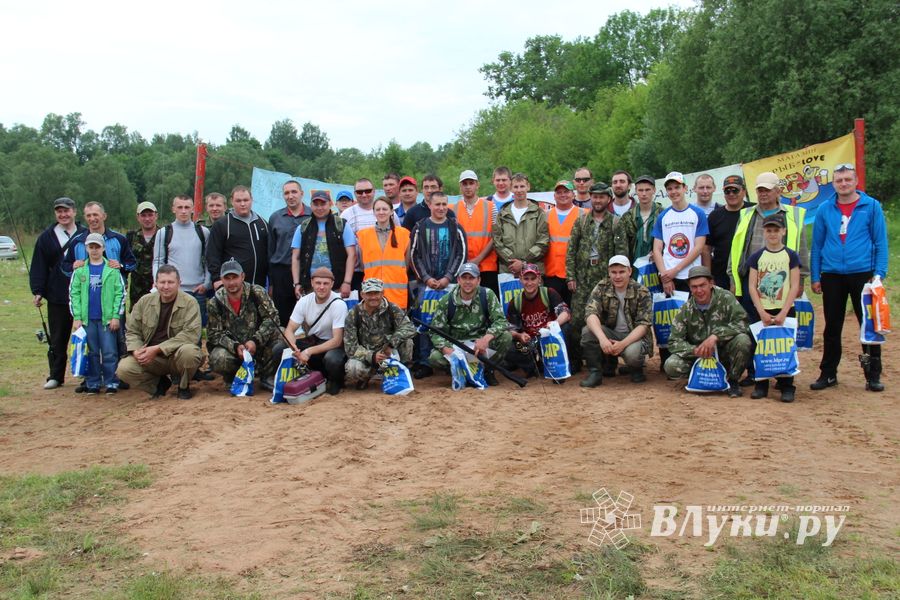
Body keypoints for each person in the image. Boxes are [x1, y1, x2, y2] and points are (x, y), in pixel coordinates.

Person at [810, 163, 888, 392]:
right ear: (833, 183)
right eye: (839, 180)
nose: (843, 184)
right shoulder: (825, 208)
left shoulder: (871, 206)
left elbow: (881, 243)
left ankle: (872, 374)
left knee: (868, 325)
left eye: (847, 180)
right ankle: (828, 373)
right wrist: (816, 275)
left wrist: (879, 275)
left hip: (863, 273)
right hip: (832, 273)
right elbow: (817, 245)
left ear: (855, 182)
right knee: (832, 326)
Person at [728, 171, 807, 385]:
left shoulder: (793, 215)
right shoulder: (746, 214)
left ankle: (783, 376)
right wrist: (732, 276)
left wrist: (803, 278)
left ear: (777, 191)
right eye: (760, 190)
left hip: (783, 279)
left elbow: (802, 248)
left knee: (781, 327)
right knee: (753, 326)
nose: (763, 193)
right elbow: (735, 247)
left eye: (767, 189)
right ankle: (755, 373)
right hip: (751, 278)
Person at [116, 265, 203, 399]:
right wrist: (136, 350)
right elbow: (132, 331)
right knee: (124, 369)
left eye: (170, 282)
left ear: (179, 283)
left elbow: (191, 335)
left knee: (190, 353)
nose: (166, 286)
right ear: (155, 283)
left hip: (176, 355)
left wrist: (157, 349)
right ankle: (158, 385)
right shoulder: (144, 302)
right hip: (151, 358)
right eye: (162, 282)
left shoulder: (190, 303)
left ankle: (183, 386)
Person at [664, 266, 752, 397]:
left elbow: (743, 323)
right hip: (699, 358)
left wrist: (716, 336)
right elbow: (673, 342)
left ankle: (733, 380)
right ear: (689, 287)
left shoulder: (726, 298)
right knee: (670, 365)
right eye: (694, 287)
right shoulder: (686, 309)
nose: (699, 290)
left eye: (702, 285)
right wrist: (695, 350)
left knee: (743, 340)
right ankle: (699, 377)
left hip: (724, 354)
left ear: (711, 283)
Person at [410, 191, 469, 378]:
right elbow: (414, 255)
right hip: (425, 285)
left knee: (452, 320)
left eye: (445, 204)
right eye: (437, 204)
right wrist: (426, 277)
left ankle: (452, 359)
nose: (441, 208)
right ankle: (424, 362)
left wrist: (448, 277)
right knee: (424, 322)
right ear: (430, 205)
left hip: (449, 284)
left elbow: (462, 254)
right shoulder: (420, 227)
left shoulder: (455, 227)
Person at [30, 197, 86, 390]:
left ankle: (88, 375)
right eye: (59, 211)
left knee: (86, 335)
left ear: (74, 212)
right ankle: (55, 375)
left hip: (84, 294)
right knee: (58, 337)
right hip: (57, 293)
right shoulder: (46, 237)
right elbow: (39, 265)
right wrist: (37, 291)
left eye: (66, 211)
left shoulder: (85, 234)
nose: (63, 214)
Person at [427, 263, 513, 386]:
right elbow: (435, 331)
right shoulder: (446, 300)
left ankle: (488, 370)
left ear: (478, 280)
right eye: (464, 278)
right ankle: (460, 371)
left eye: (471, 278)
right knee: (435, 358)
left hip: (481, 347)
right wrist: (446, 349)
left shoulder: (487, 295)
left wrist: (486, 339)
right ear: (458, 280)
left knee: (506, 337)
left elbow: (501, 321)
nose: (468, 282)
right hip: (457, 346)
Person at [746, 214, 802, 402]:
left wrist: (785, 311)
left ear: (783, 232)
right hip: (762, 310)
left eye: (776, 230)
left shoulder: (791, 256)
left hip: (784, 308)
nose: (772, 234)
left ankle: (787, 385)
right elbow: (752, 286)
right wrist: (761, 311)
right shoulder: (757, 257)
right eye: (769, 230)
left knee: (784, 346)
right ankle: (761, 384)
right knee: (761, 347)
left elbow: (794, 285)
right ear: (764, 232)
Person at [207, 260, 285, 391]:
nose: (231, 283)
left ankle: (267, 375)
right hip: (234, 351)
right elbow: (214, 334)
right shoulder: (215, 302)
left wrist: (255, 340)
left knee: (282, 335)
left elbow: (273, 319)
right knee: (218, 358)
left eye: (235, 277)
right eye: (227, 278)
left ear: (242, 276)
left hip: (259, 345)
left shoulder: (257, 292)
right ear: (221, 279)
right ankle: (233, 376)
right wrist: (235, 346)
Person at [566, 182, 617, 372]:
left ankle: (608, 362)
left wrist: (616, 281)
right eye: (594, 196)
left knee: (605, 321)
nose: (597, 200)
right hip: (582, 280)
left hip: (605, 282)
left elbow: (621, 255)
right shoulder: (581, 221)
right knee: (577, 322)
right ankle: (577, 361)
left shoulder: (615, 223)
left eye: (601, 197)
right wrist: (570, 276)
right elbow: (571, 251)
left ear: (608, 199)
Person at [580, 255, 653, 387]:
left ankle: (636, 369)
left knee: (632, 354)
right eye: (613, 272)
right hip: (611, 334)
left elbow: (644, 325)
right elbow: (590, 313)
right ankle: (595, 372)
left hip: (633, 337)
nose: (617, 276)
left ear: (629, 271)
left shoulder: (642, 291)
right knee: (587, 332)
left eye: (621, 272)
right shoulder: (602, 287)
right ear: (609, 272)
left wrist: (622, 344)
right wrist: (602, 339)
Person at [69, 233, 125, 394]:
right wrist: (77, 317)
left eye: (97, 247)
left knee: (109, 352)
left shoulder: (112, 270)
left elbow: (120, 293)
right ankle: (93, 382)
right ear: (86, 248)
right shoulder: (80, 271)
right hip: (87, 320)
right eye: (91, 247)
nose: (94, 250)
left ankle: (111, 382)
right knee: (92, 352)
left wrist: (116, 316)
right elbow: (74, 294)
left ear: (103, 248)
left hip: (107, 319)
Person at [284, 268, 348, 395]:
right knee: (280, 348)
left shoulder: (339, 304)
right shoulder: (304, 301)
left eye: (326, 283)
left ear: (332, 284)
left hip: (332, 346)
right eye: (318, 283)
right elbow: (289, 330)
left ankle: (336, 381)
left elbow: (337, 341)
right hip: (313, 340)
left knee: (333, 360)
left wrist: (308, 352)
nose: (322, 287)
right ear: (312, 283)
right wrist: (294, 348)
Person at [343, 278, 416, 390]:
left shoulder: (392, 308)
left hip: (389, 353)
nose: (373, 297)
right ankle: (365, 378)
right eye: (369, 293)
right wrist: (372, 356)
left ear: (382, 293)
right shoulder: (353, 314)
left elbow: (409, 328)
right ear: (362, 294)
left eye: (376, 293)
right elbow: (350, 347)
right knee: (352, 368)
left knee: (407, 342)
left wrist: (391, 344)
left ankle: (401, 373)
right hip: (367, 355)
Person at [152, 195, 211, 325]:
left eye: (187, 207)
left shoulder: (203, 232)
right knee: (171, 330)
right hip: (172, 291)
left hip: (197, 291)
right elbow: (158, 261)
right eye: (180, 207)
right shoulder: (164, 233)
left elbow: (208, 260)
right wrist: (158, 282)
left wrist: (206, 284)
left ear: (193, 209)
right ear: (173, 209)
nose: (183, 211)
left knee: (195, 332)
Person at [504, 264, 571, 379]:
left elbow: (566, 312)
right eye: (526, 279)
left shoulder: (549, 293)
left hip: (548, 338)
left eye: (533, 279)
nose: (529, 283)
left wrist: (555, 324)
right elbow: (510, 329)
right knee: (507, 343)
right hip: (531, 343)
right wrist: (519, 335)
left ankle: (558, 366)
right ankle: (532, 367)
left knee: (566, 328)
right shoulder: (515, 302)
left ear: (539, 279)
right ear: (520, 279)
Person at [291, 189, 356, 298]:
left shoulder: (341, 225)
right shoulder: (303, 227)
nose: (320, 208)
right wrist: (297, 283)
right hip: (309, 285)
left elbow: (352, 255)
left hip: (336, 285)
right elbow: (295, 257)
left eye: (323, 204)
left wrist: (347, 282)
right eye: (316, 204)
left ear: (330, 204)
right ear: (310, 206)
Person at [652, 171, 709, 295]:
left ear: (685, 188)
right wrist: (665, 276)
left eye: (677, 187)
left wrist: (676, 270)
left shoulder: (698, 214)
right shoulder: (662, 216)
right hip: (670, 278)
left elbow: (699, 247)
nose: (674, 192)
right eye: (670, 189)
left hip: (692, 275)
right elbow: (657, 249)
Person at [206, 185, 269, 288]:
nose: (243, 204)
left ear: (251, 200)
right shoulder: (222, 225)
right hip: (232, 285)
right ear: (232, 201)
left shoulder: (262, 223)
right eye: (238, 201)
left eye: (246, 200)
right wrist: (216, 278)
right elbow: (213, 254)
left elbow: (269, 253)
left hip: (259, 284)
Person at [268, 180, 311, 325]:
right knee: (284, 316)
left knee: (307, 314)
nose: (290, 196)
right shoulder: (275, 217)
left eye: (294, 192)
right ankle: (285, 346)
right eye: (286, 193)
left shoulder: (313, 215)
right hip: (281, 272)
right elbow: (271, 250)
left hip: (307, 272)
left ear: (301, 194)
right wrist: (272, 282)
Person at [357, 197, 412, 309]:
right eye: (378, 209)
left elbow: (406, 264)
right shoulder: (363, 236)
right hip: (372, 295)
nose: (381, 212)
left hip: (396, 295)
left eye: (384, 209)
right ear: (374, 212)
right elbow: (363, 266)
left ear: (391, 211)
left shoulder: (404, 235)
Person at [493, 173, 549, 276]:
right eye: (516, 187)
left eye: (522, 186)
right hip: (508, 270)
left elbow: (543, 241)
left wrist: (523, 263)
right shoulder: (503, 213)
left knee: (533, 293)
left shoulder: (538, 212)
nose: (519, 190)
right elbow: (497, 241)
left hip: (533, 270)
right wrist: (512, 262)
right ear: (510, 188)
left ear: (528, 187)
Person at [703, 175, 752, 290]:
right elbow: (706, 249)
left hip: (750, 273)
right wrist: (708, 276)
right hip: (721, 275)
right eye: (727, 191)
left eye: (735, 190)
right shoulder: (715, 216)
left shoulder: (753, 211)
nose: (731, 194)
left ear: (744, 191)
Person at [454, 170, 497, 293]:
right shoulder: (453, 209)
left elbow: (496, 236)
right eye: (464, 183)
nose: (468, 187)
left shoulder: (490, 206)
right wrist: (464, 260)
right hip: (463, 266)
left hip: (487, 266)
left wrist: (479, 258)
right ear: (460, 187)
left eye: (471, 183)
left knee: (487, 303)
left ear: (477, 185)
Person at [544, 180, 583, 306]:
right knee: (554, 313)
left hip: (575, 274)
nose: (563, 195)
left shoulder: (584, 214)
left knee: (574, 313)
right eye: (559, 192)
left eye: (566, 192)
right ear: (554, 196)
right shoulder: (545, 215)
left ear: (573, 194)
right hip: (551, 273)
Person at [615, 174, 662, 267]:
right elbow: (622, 247)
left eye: (647, 190)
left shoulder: (663, 214)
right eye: (640, 190)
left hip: (659, 264)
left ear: (654, 190)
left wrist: (659, 253)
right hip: (634, 265)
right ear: (636, 191)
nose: (644, 194)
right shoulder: (627, 217)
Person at [125, 201, 160, 308]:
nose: (147, 219)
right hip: (137, 289)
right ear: (138, 217)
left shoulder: (164, 234)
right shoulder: (131, 236)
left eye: (150, 215)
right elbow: (126, 260)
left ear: (156, 215)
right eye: (143, 215)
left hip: (158, 285)